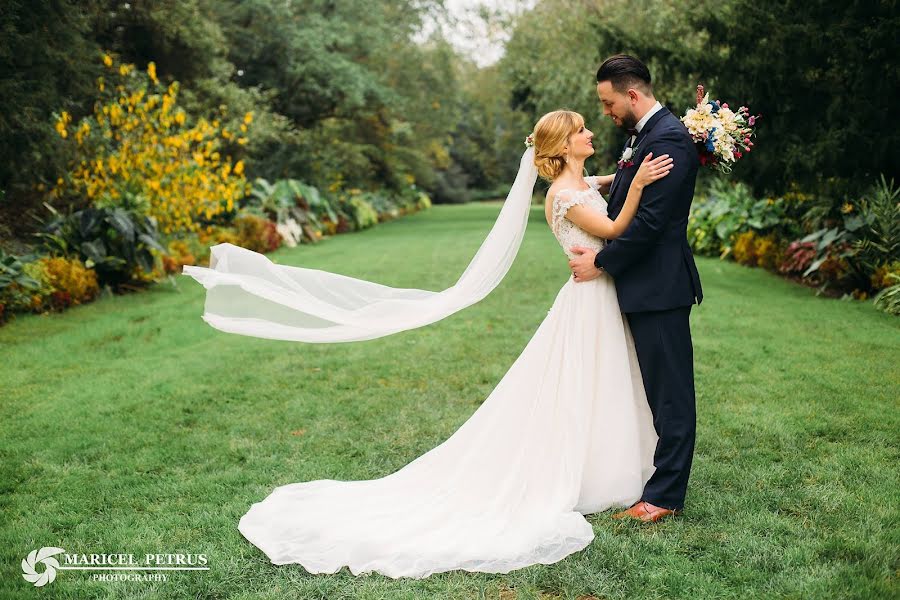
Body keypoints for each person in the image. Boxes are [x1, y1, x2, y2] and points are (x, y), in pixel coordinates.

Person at [229, 109, 676, 579]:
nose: (591, 133)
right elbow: (612, 231)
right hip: (589, 300)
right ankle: (592, 471)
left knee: (598, 383)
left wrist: (623, 173)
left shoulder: (579, 185)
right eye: (582, 130)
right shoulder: (564, 195)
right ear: (564, 146)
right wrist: (640, 185)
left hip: (597, 295)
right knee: (584, 382)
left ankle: (608, 462)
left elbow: (596, 184)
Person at [568, 54, 703, 523]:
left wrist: (601, 263)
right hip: (644, 285)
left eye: (607, 103)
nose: (605, 113)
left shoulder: (667, 140)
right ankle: (655, 477)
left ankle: (665, 495)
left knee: (671, 393)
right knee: (656, 388)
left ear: (631, 94)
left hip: (660, 286)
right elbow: (626, 195)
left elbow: (649, 224)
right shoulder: (644, 136)